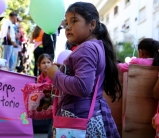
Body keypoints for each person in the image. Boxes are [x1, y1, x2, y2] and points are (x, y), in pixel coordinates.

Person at [47, 2, 122, 137]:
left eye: (74, 21)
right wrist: (64, 70)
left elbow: (82, 87)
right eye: (66, 23)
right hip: (89, 115)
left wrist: (55, 75)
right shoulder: (95, 46)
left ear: (92, 25)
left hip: (79, 119)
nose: (68, 27)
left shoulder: (86, 48)